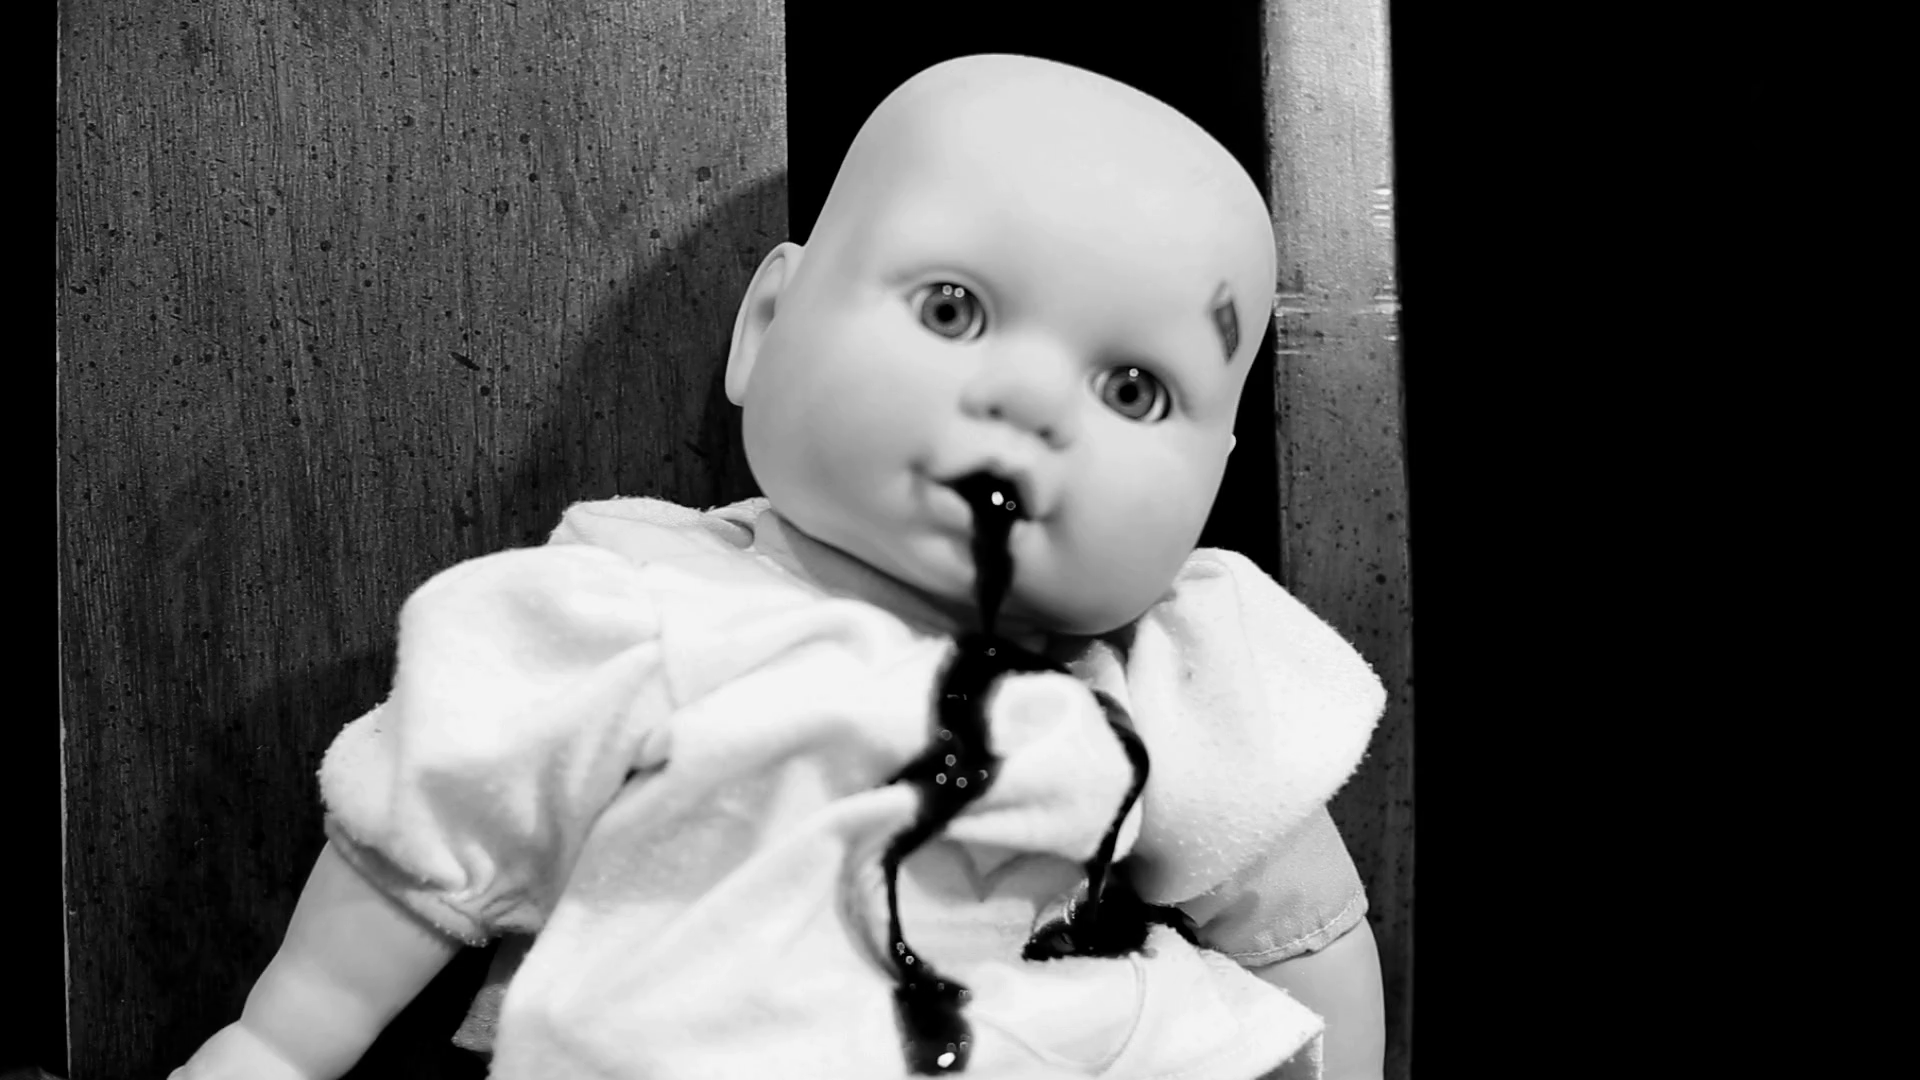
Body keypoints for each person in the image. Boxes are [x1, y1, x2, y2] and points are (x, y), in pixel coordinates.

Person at [174, 53, 1387, 1080]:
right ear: (767, 327)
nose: (1029, 403)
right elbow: (433, 826)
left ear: (1212, 480)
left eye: (1133, 389)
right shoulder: (646, 613)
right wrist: (282, 1045)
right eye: (953, 310)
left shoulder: (1168, 680)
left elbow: (1301, 932)